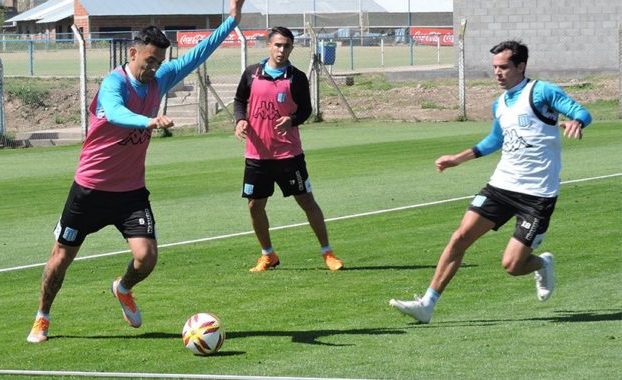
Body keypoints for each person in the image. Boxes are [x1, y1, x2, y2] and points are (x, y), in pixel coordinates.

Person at [26, 0, 246, 343]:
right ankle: (42, 317)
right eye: (148, 61)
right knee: (61, 258)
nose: (153, 68)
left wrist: (232, 20)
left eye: (159, 62)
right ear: (133, 53)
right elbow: (114, 113)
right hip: (90, 189)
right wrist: (149, 120)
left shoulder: (159, 78)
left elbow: (199, 54)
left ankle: (123, 287)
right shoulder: (114, 84)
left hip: (130, 192)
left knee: (147, 258)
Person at [389, 40, 592, 323]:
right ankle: (427, 304)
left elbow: (582, 112)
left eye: (504, 67)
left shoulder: (543, 91)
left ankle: (542, 263)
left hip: (537, 195)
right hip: (501, 186)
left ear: (520, 66)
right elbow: (495, 140)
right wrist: (457, 159)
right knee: (459, 237)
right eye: (494, 67)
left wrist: (576, 122)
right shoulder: (500, 103)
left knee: (512, 265)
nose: (497, 73)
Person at [233, 26, 343, 273]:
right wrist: (240, 119)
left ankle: (328, 253)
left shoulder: (297, 77)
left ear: (292, 48)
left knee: (307, 201)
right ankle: (268, 255)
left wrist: (291, 120)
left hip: (288, 154)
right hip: (257, 154)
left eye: (287, 46)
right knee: (254, 206)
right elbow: (240, 100)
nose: (282, 50)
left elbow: (306, 110)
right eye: (278, 45)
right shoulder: (252, 74)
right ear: (269, 46)